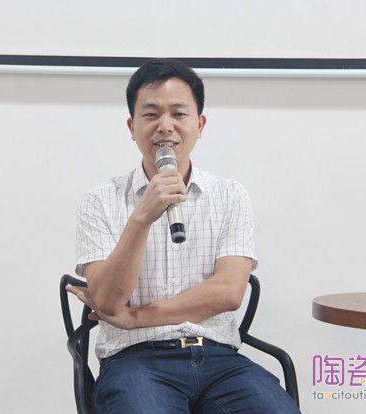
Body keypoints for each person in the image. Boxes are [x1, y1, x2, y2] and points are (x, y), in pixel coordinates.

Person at [68, 58, 301, 414]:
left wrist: (136, 318)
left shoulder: (230, 195)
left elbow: (228, 293)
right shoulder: (99, 201)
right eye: (151, 115)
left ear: (199, 124)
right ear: (132, 126)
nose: (165, 126)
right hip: (135, 362)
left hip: (220, 359)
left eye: (178, 114)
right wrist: (141, 218)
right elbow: (108, 302)